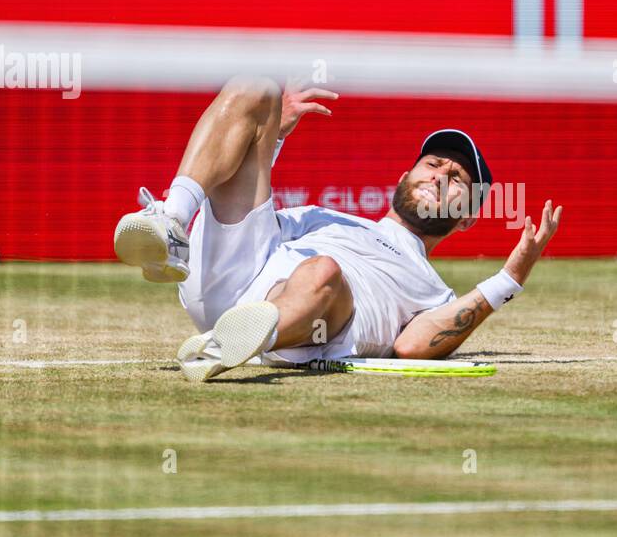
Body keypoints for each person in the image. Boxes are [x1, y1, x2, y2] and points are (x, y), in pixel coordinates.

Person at [113, 75, 563, 381]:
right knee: (257, 87)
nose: (440, 174)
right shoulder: (326, 218)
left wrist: (510, 279)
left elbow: (412, 347)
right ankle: (172, 223)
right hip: (231, 276)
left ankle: (230, 342)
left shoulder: (435, 291)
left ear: (468, 216)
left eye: (458, 178)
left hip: (300, 327)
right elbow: (252, 224)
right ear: (404, 177)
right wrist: (270, 135)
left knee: (323, 271)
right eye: (433, 164)